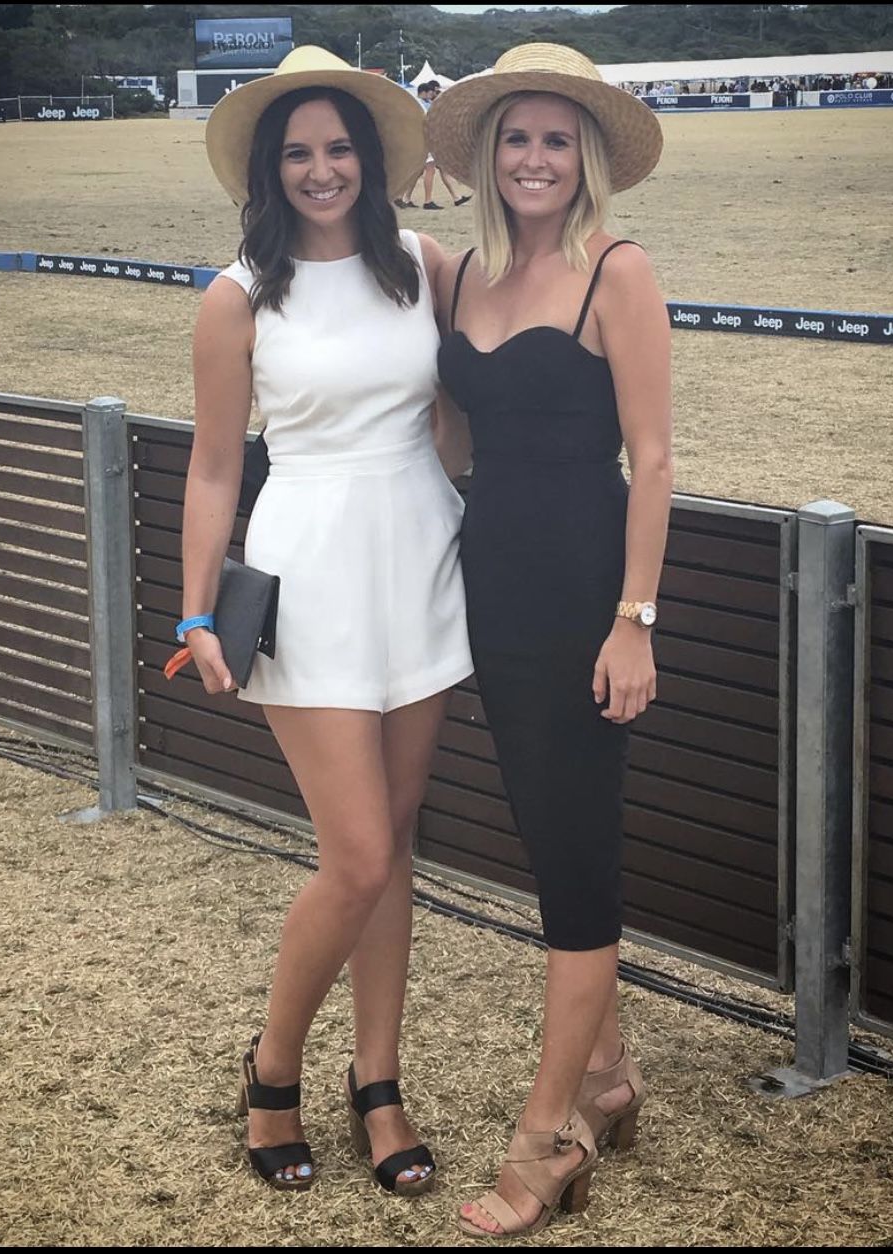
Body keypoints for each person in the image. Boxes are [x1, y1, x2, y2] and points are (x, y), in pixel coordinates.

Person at [182, 45, 472, 1196]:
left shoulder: (422, 265)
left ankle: (379, 1087)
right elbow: (214, 468)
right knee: (353, 856)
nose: (320, 169)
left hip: (422, 565)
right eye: (297, 152)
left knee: (392, 845)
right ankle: (272, 1071)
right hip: (307, 577)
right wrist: (196, 611)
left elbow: (459, 412)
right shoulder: (236, 296)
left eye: (338, 148)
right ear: (268, 168)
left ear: (370, 159)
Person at [426, 43, 672, 1237]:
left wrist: (633, 620)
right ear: (486, 154)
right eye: (515, 138)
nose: (534, 159)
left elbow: (654, 460)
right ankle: (609, 1076)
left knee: (574, 868)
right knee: (543, 831)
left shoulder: (615, 270)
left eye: (555, 141)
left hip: (583, 598)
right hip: (493, 592)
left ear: (586, 160)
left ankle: (549, 1139)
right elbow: (453, 441)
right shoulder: (462, 275)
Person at [394, 80, 472, 210]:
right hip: (426, 141)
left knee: (425, 170)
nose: (432, 95)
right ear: (424, 92)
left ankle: (405, 198)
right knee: (429, 169)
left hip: (425, 141)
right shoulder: (420, 105)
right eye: (431, 93)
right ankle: (427, 200)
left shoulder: (421, 103)